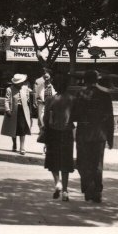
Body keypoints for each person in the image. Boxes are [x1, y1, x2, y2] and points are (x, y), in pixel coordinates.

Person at [72, 69, 114, 203]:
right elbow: (110, 118)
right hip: (100, 134)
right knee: (97, 164)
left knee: (82, 163)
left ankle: (88, 186)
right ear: (97, 80)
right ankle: (97, 191)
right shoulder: (105, 95)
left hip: (84, 134)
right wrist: (110, 138)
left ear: (84, 80)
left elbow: (74, 115)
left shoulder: (79, 94)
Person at [43, 73, 75, 201]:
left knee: (53, 160)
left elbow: (45, 119)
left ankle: (57, 183)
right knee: (65, 162)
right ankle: (66, 191)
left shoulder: (50, 100)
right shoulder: (72, 99)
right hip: (67, 133)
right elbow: (76, 116)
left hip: (53, 132)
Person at [1, 74, 32, 155]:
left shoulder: (25, 88)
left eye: (22, 82)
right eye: (20, 82)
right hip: (13, 111)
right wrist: (7, 109)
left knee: (22, 128)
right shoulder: (9, 89)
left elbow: (28, 99)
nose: (22, 83)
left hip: (23, 111)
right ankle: (14, 144)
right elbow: (7, 100)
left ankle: (22, 147)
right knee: (13, 128)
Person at [34, 68, 55, 132]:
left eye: (47, 77)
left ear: (50, 77)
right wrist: (38, 101)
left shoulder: (53, 86)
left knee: (51, 119)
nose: (46, 78)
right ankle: (44, 131)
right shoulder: (40, 86)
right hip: (42, 105)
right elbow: (37, 96)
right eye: (44, 77)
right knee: (42, 118)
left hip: (51, 105)